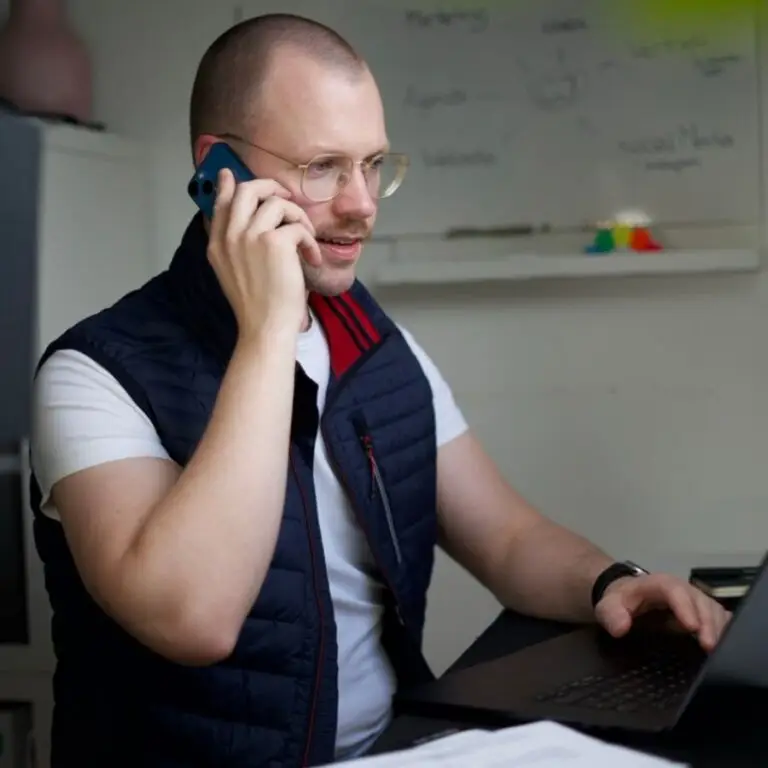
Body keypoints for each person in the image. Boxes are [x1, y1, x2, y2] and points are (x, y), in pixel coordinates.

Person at [30, 13, 730, 768]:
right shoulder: (91, 375)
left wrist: (610, 582)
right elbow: (194, 619)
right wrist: (268, 336)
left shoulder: (373, 346)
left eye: (373, 165)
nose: (363, 204)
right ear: (218, 170)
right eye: (324, 166)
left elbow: (507, 538)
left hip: (399, 751)